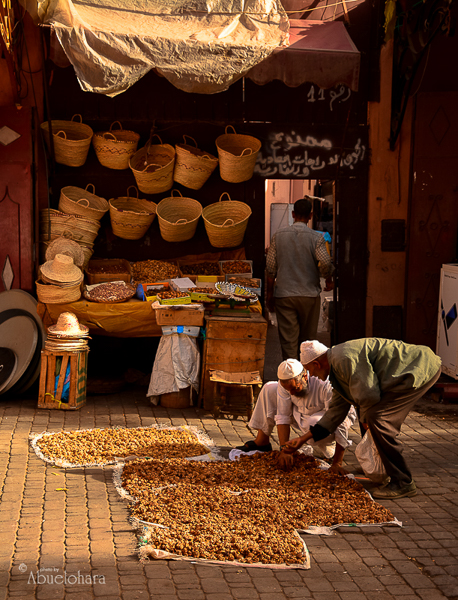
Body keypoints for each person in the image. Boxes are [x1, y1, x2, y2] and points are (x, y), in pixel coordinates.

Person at [282, 339, 442, 499]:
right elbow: (334, 414)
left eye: (311, 370)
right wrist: (303, 439)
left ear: (317, 364)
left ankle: (402, 482)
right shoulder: (337, 372)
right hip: (408, 371)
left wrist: (366, 419)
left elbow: (368, 395)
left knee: (379, 421)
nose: (313, 376)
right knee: (370, 417)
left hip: (419, 367)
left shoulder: (343, 359)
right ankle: (376, 463)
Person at [236, 358, 356, 473]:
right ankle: (262, 442)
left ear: (304, 376)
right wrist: (284, 449)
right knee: (269, 388)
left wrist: (337, 463)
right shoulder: (286, 385)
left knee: (312, 422)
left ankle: (328, 447)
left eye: (295, 388)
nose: (291, 393)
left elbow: (341, 420)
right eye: (288, 390)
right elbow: (283, 415)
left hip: (325, 421)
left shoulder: (325, 383)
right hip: (301, 414)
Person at [266, 196, 334, 362]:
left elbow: (270, 267)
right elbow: (325, 261)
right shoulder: (316, 238)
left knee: (289, 343)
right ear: (310, 216)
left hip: (284, 295)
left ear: (293, 214)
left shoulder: (279, 236)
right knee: (308, 343)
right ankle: (307, 379)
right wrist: (328, 278)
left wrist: (269, 294)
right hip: (309, 296)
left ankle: (290, 379)